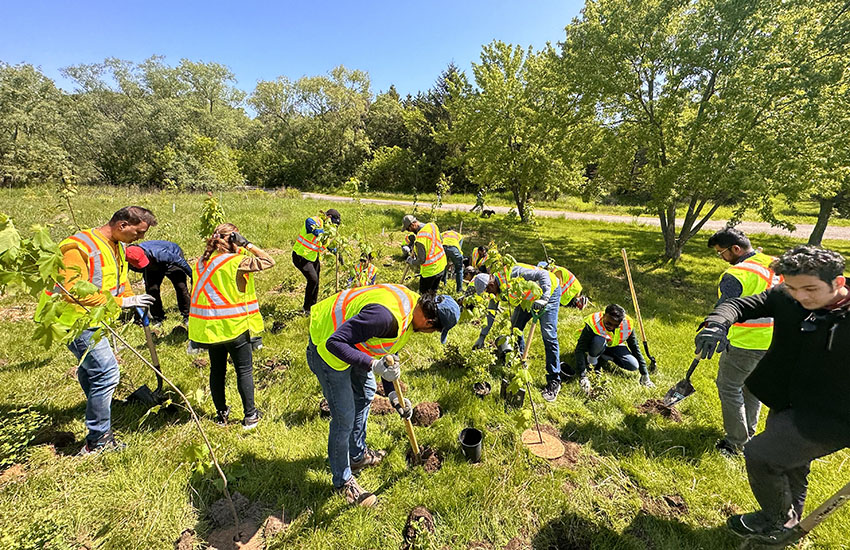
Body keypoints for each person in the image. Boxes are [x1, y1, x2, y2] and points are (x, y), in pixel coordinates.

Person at [695, 246, 850, 543]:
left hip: (832, 414)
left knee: (761, 455)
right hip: (787, 399)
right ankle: (790, 520)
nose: (801, 297)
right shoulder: (786, 296)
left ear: (838, 283)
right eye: (792, 287)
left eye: (810, 289)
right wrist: (716, 324)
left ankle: (775, 519)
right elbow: (739, 305)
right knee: (791, 463)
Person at [307, 285, 460, 507]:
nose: (431, 335)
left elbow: (387, 352)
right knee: (344, 419)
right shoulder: (386, 317)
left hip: (355, 341)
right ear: (429, 323)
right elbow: (334, 343)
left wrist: (393, 396)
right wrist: (372, 364)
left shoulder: (412, 309)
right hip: (327, 347)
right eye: (435, 331)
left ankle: (357, 455)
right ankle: (343, 482)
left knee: (366, 392)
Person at [34, 206, 158, 454]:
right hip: (73, 319)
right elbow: (72, 291)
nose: (140, 239)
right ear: (122, 225)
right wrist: (122, 303)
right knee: (106, 372)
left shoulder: (117, 246)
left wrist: (135, 301)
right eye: (138, 232)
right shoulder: (77, 246)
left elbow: (120, 281)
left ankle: (98, 412)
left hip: (95, 318)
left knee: (92, 371)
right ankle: (98, 440)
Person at [189, 223, 275, 430]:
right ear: (234, 239)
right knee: (244, 370)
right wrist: (248, 244)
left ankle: (221, 415)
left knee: (216, 371)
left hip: (210, 328)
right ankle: (250, 416)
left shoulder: (201, 263)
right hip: (234, 326)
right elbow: (269, 261)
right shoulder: (237, 262)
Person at [703, 227, 779, 456]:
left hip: (746, 342)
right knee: (752, 387)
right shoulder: (774, 263)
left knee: (729, 387)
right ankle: (749, 433)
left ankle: (735, 443)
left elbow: (726, 307)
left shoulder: (737, 274)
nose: (722, 258)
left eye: (721, 252)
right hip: (775, 341)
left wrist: (714, 328)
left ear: (735, 249)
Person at [470, 262, 563, 401]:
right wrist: (482, 337)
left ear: (491, 284)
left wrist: (545, 298)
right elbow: (491, 313)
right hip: (527, 298)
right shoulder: (497, 289)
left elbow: (543, 274)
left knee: (548, 335)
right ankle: (521, 363)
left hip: (549, 291)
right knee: (515, 328)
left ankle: (554, 380)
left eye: (488, 291)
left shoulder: (513, 274)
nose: (489, 294)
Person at [573, 304, 654, 394]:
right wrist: (583, 376)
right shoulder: (593, 322)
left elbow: (635, 348)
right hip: (594, 344)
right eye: (608, 323)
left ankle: (603, 356)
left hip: (612, 345)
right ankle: (592, 362)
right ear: (604, 316)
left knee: (633, 365)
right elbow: (579, 349)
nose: (611, 327)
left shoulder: (627, 325)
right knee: (599, 340)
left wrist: (645, 375)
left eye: (616, 325)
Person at [126, 240, 192, 326]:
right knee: (152, 289)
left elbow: (180, 262)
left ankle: (187, 315)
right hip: (152, 266)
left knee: (181, 287)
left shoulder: (160, 253)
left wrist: (192, 275)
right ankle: (158, 317)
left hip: (172, 261)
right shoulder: (128, 256)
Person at [292, 209, 341, 314]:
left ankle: (312, 308)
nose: (334, 227)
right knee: (313, 280)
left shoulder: (328, 232)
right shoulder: (313, 221)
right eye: (333, 224)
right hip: (301, 256)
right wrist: (326, 231)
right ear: (329, 217)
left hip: (313, 258)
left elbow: (326, 245)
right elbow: (314, 231)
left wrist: (337, 253)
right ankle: (306, 308)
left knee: (316, 282)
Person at [401, 215, 447, 293]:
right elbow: (440, 240)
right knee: (433, 293)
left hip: (430, 272)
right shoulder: (432, 226)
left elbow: (421, 260)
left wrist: (411, 261)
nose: (410, 231)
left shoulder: (421, 238)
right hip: (441, 265)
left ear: (413, 225)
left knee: (424, 296)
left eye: (409, 229)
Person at [441, 228, 464, 292]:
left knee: (443, 267)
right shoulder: (459, 235)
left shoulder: (443, 233)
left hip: (443, 247)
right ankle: (459, 290)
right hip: (454, 249)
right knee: (459, 269)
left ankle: (443, 284)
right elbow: (459, 248)